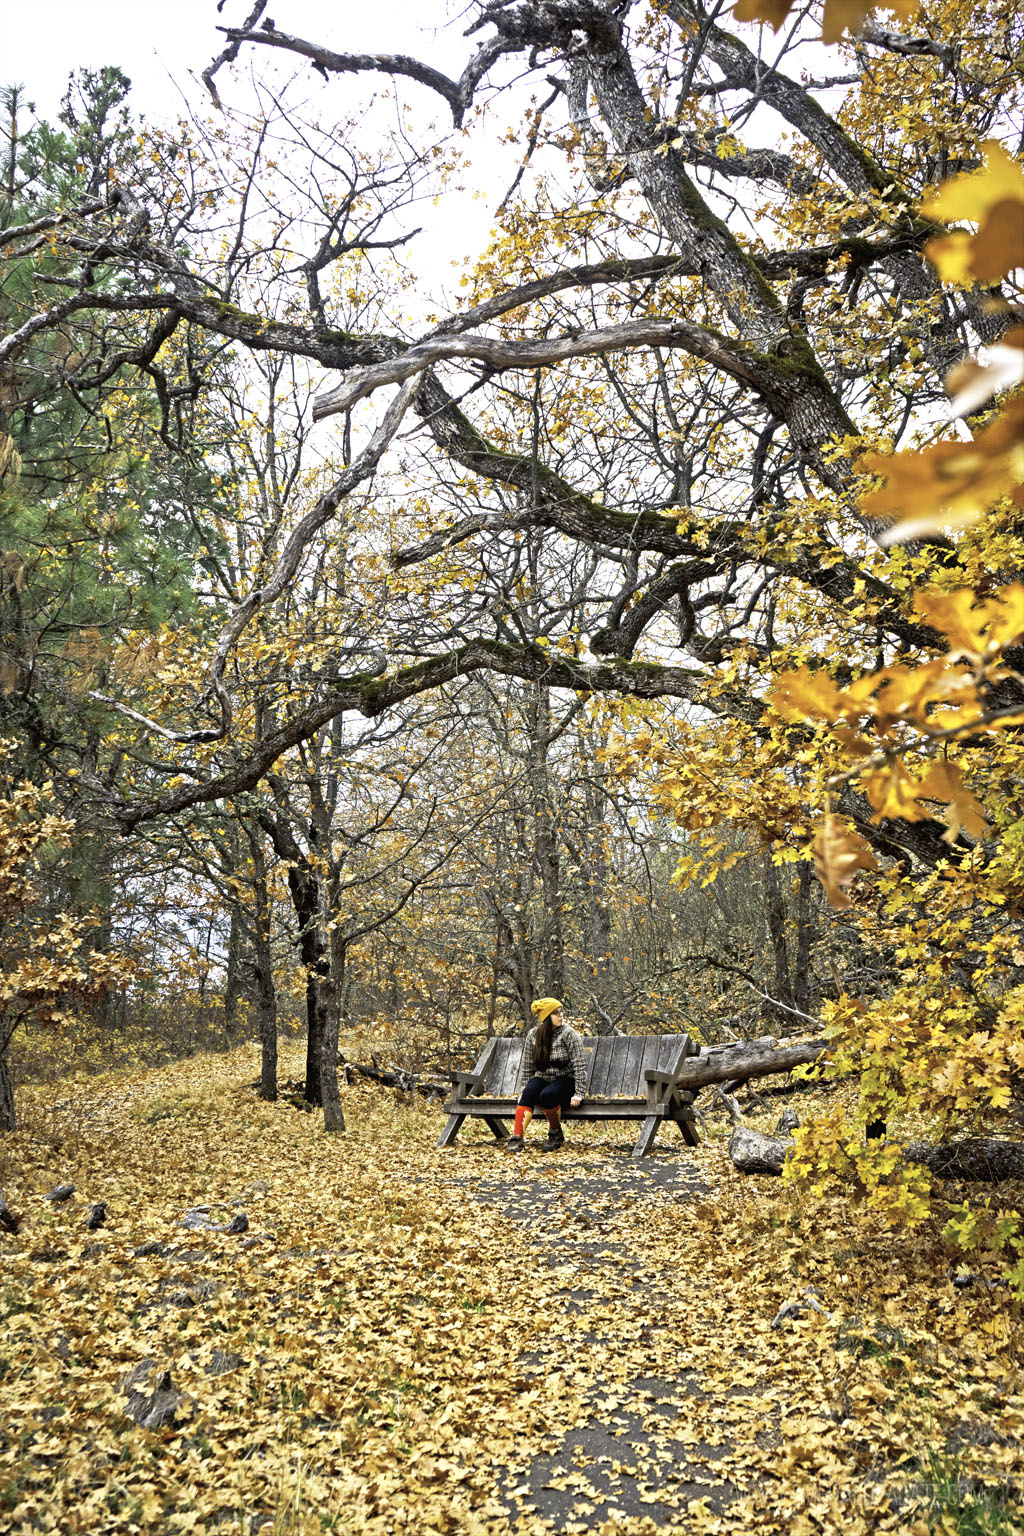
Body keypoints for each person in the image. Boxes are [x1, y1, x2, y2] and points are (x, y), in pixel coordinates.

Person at [507, 997, 586, 1152]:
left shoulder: (569, 1035)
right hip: (543, 1077)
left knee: (547, 1095)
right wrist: (524, 1088)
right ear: (546, 1017)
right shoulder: (534, 1035)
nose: (561, 1015)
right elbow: (528, 1065)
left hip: (565, 1078)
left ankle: (555, 1133)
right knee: (527, 1094)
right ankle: (517, 1137)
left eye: (562, 1011)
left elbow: (580, 1065)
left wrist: (579, 1093)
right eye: (556, 1013)